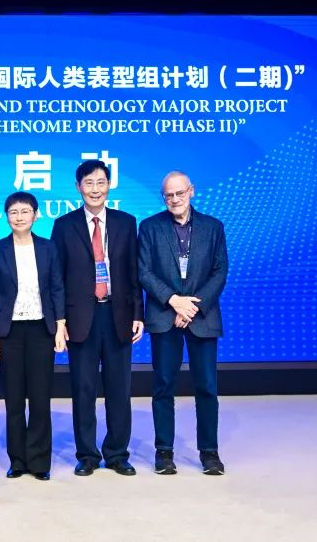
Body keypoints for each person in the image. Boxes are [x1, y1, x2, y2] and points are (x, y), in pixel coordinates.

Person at [50, 160, 144, 477]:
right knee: (84, 389)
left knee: (119, 389)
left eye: (101, 182)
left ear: (109, 186)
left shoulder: (126, 222)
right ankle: (87, 454)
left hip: (118, 314)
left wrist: (138, 313)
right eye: (88, 183)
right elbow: (57, 278)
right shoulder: (64, 226)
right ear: (78, 187)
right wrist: (60, 320)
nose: (95, 189)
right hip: (81, 318)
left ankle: (117, 453)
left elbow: (133, 272)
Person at [138, 171, 229, 475]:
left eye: (180, 193)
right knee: (163, 385)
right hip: (165, 315)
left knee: (207, 386)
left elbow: (219, 272)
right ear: (163, 197)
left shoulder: (213, 227)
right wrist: (174, 301)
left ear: (191, 191)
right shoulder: (149, 227)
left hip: (202, 317)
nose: (175, 199)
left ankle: (209, 452)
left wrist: (191, 307)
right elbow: (144, 271)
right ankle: (164, 451)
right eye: (169, 195)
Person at [0, 192, 67, 481]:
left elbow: (57, 288)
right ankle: (18, 460)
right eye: (13, 212)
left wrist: (60, 328)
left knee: (41, 399)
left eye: (25, 211)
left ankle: (40, 461)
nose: (19, 217)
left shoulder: (48, 247)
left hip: (42, 330)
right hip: (9, 332)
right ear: (6, 216)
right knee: (14, 399)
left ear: (36, 215)